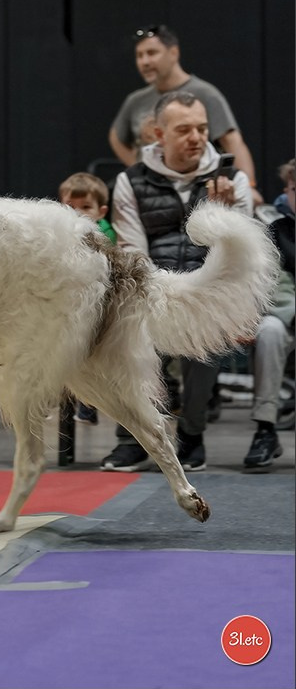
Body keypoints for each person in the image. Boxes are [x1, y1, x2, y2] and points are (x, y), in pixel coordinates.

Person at [100, 90, 253, 473]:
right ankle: (132, 439)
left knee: (208, 339)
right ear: (157, 134)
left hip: (210, 293)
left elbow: (243, 254)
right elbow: (133, 253)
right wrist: (167, 296)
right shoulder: (129, 181)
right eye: (184, 129)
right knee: (124, 334)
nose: (197, 137)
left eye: (202, 128)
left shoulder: (233, 179)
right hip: (152, 290)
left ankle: (191, 433)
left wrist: (227, 213)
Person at [108, 26, 263, 206]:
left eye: (151, 53)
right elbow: (115, 136)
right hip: (149, 190)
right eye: (139, 56)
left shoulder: (205, 93)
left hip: (196, 187)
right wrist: (137, 165)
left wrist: (250, 185)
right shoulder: (136, 100)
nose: (144, 62)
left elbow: (232, 141)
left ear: (173, 53)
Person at [243, 159, 295, 472]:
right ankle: (266, 430)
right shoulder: (275, 231)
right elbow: (276, 288)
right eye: (294, 188)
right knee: (270, 330)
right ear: (286, 191)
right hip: (287, 316)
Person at [57, 171, 117, 425]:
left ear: (101, 211)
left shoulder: (105, 236)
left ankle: (89, 405)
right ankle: (65, 403)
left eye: (86, 207)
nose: (78, 213)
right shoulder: (57, 234)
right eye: (71, 207)